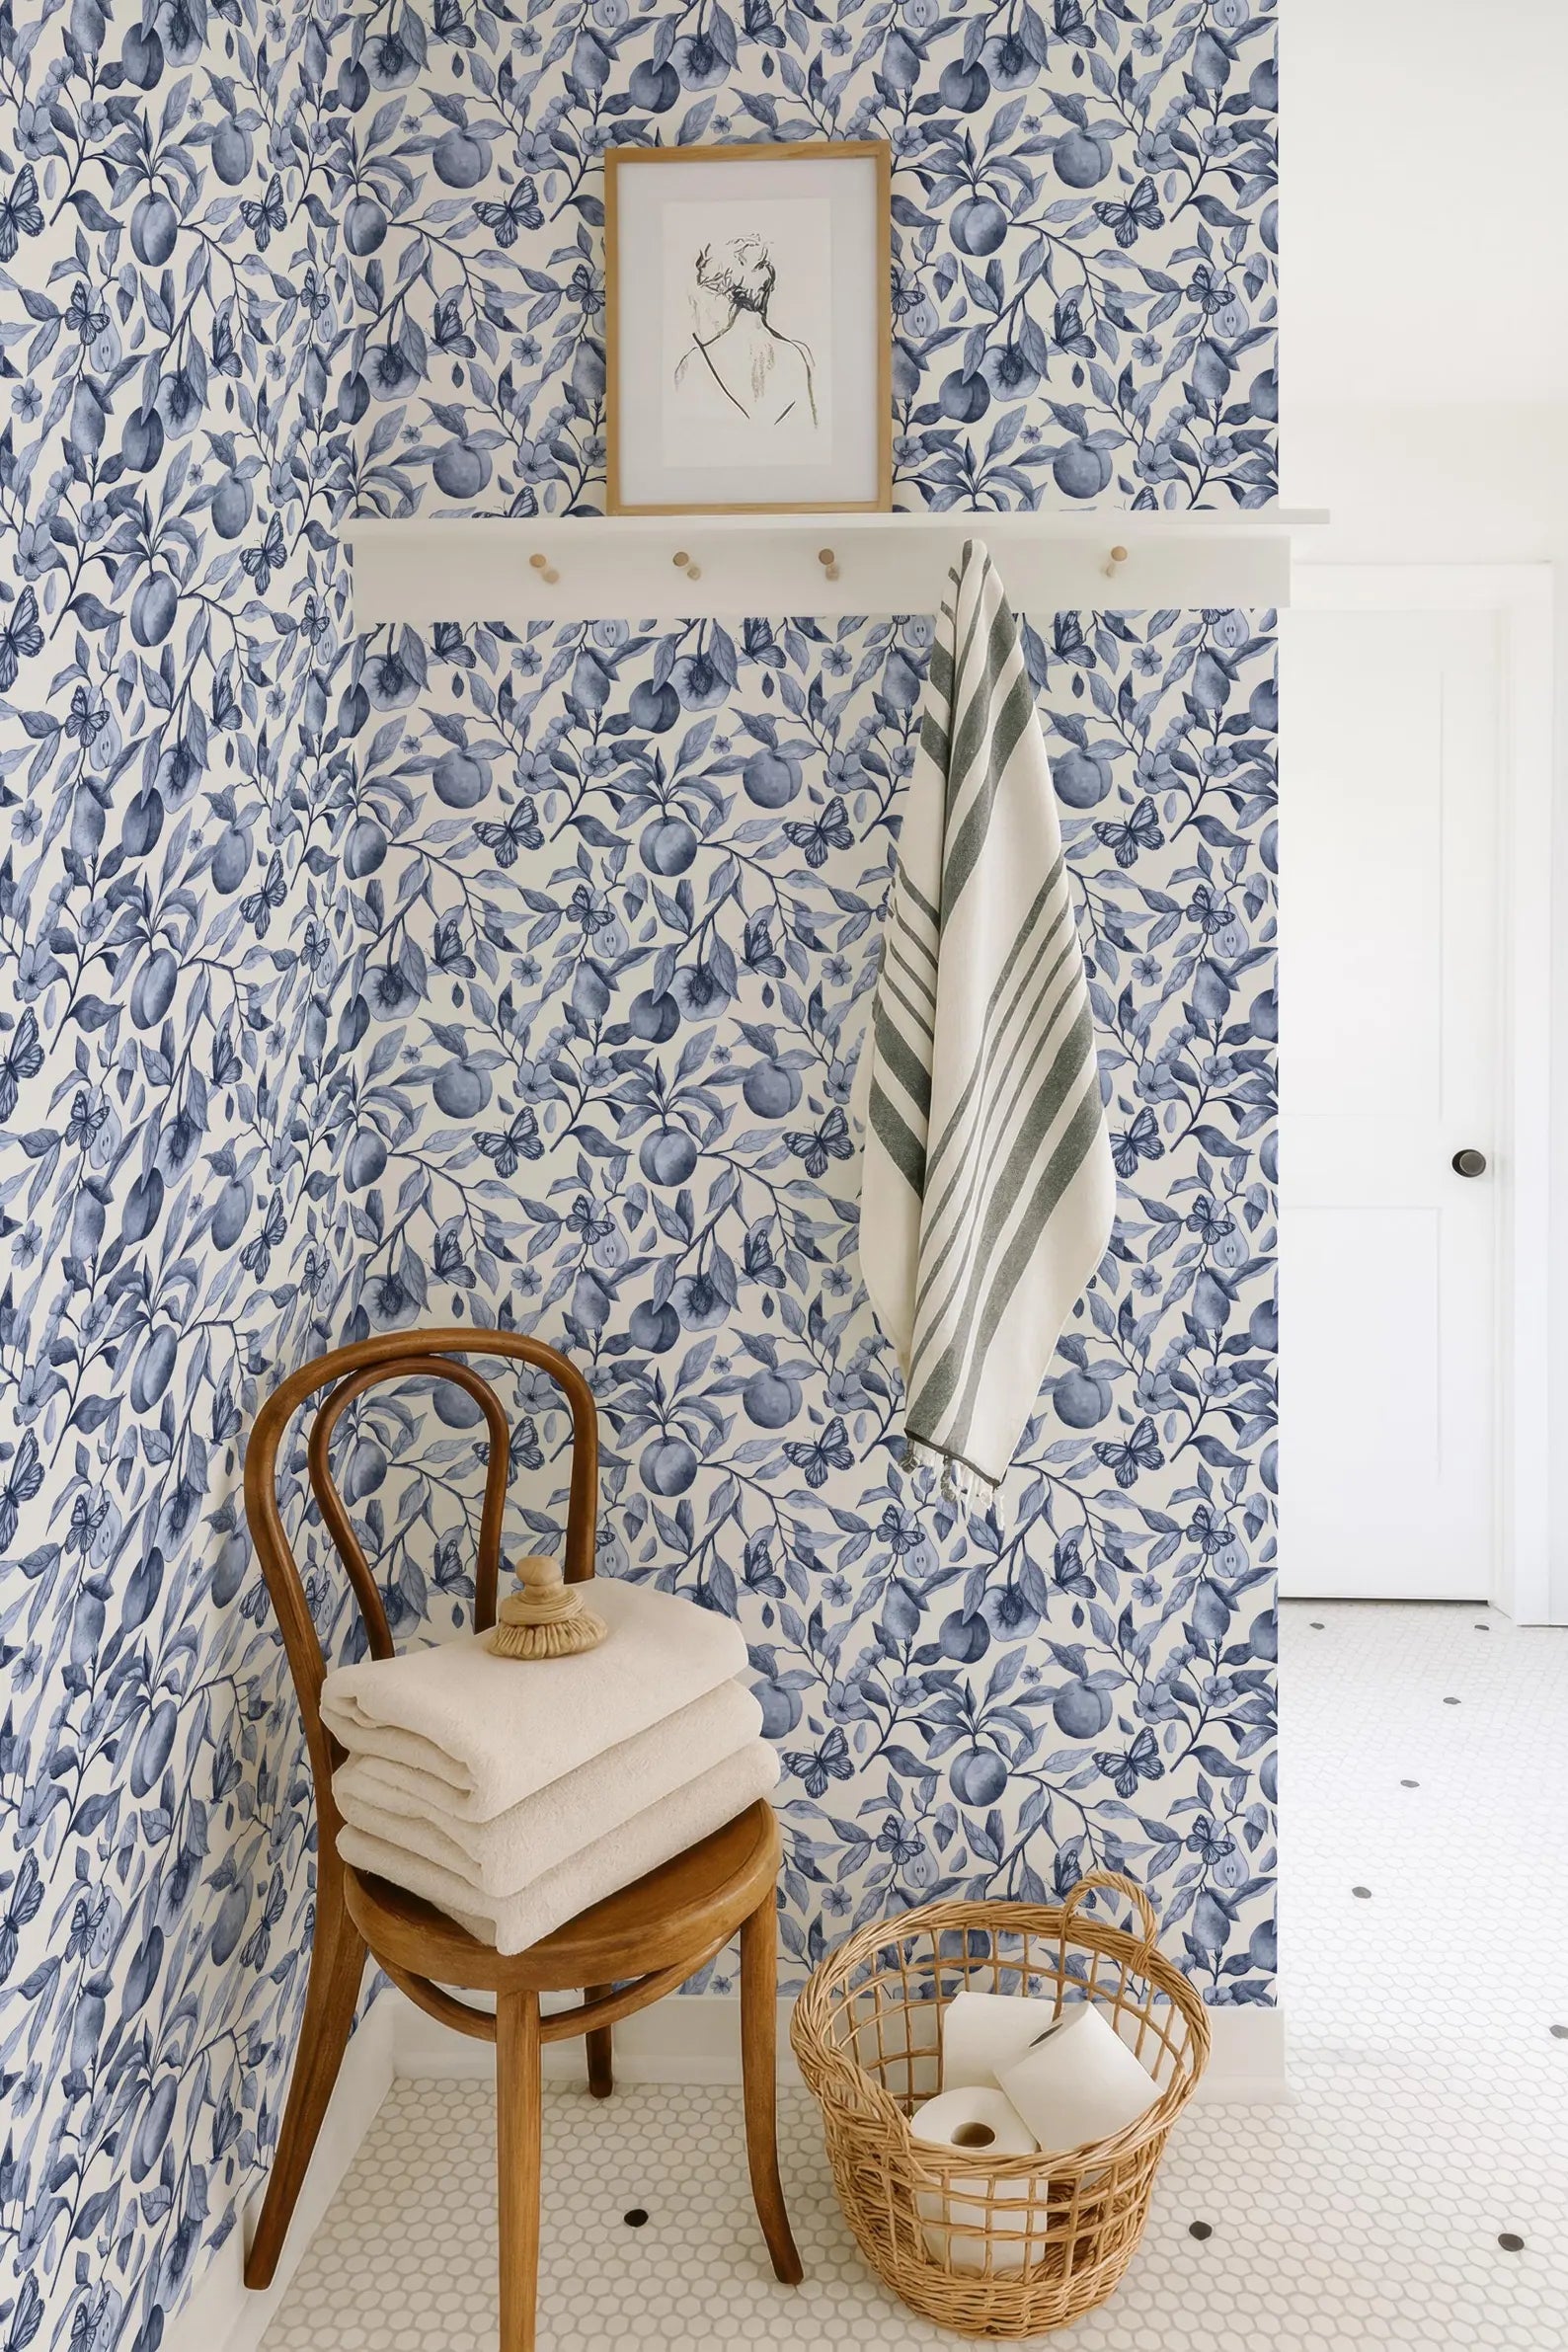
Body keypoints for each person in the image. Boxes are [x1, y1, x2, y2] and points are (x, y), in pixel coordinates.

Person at [672, 233, 819, 431]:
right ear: (767, 286)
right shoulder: (798, 354)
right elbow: (811, 433)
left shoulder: (692, 362)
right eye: (762, 266)